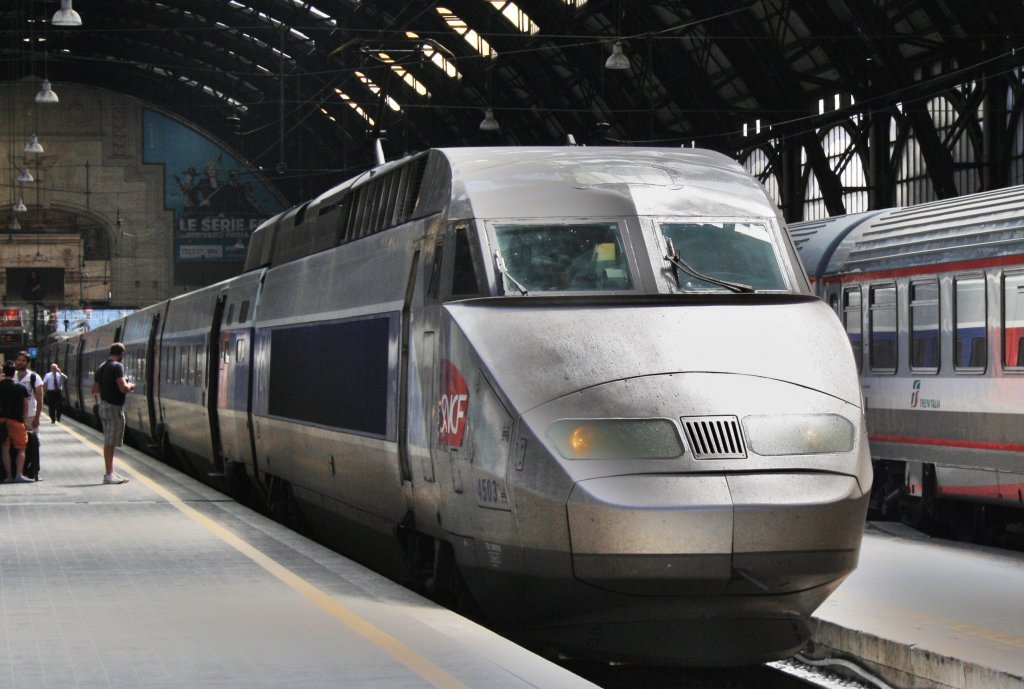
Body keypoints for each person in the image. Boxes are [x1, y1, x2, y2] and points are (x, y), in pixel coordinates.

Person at [91, 342, 135, 484]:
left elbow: (95, 390)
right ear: (121, 354)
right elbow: (123, 388)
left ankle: (111, 472)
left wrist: (107, 386)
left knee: (109, 440)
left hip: (103, 406)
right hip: (114, 408)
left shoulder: (101, 368)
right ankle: (109, 474)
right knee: (110, 442)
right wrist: (131, 385)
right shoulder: (118, 367)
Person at [0, 361, 32, 484]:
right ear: (14, 373)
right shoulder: (21, 388)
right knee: (21, 448)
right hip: (17, 422)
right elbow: (25, 406)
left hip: (2, 421)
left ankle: (8, 476)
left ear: (4, 372)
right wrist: (24, 421)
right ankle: (19, 474)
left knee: (5, 449)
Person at [14, 351, 44, 480]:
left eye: (23, 360)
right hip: (15, 416)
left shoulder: (34, 378)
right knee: (17, 445)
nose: (20, 362)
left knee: (33, 444)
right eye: (19, 360)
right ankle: (20, 470)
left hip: (31, 416)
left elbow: (40, 398)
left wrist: (37, 417)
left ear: (27, 363)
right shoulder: (12, 376)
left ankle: (34, 471)